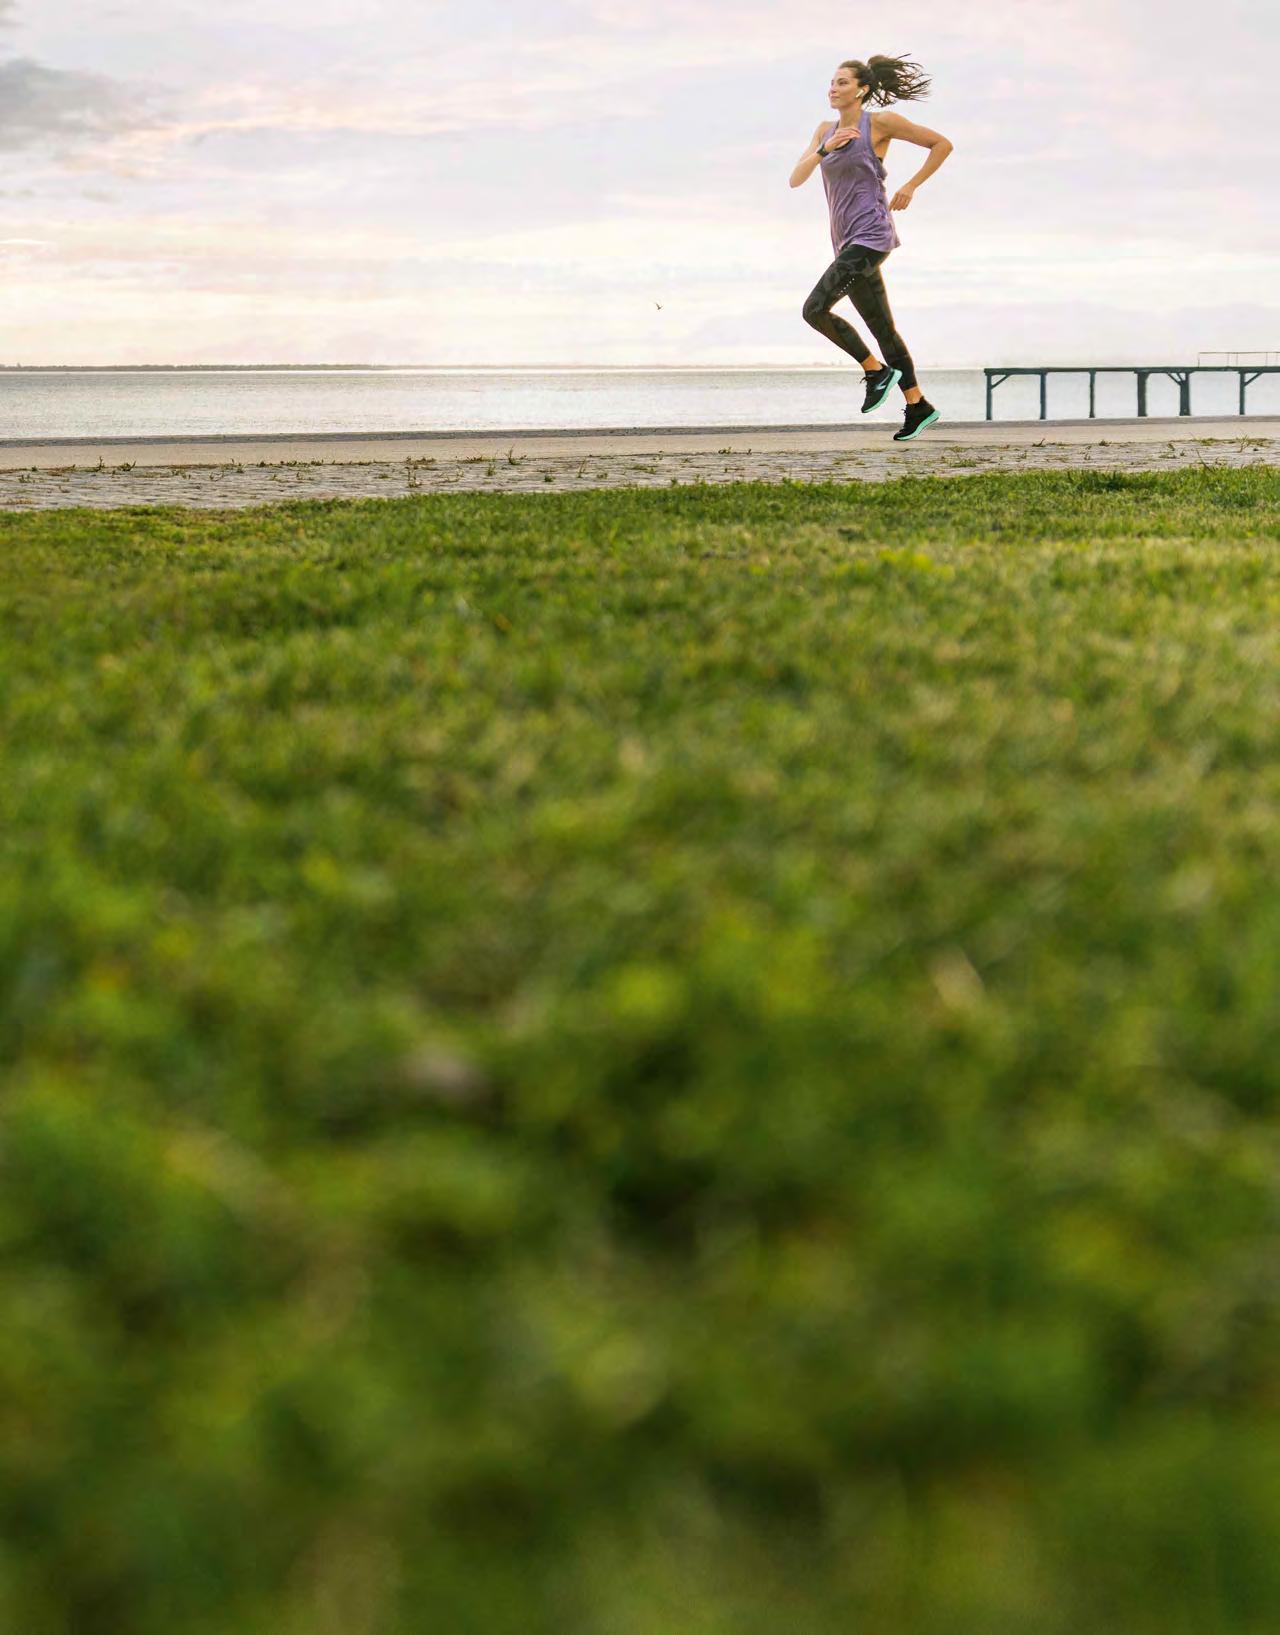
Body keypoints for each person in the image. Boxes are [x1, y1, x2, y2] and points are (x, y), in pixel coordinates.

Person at [790, 55, 953, 442]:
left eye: (843, 82)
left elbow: (941, 144)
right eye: (832, 82)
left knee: (814, 309)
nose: (833, 88)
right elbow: (796, 178)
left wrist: (910, 185)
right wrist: (825, 149)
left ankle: (876, 371)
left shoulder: (879, 123)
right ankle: (918, 405)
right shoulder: (824, 130)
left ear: (861, 90)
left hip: (871, 235)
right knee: (882, 328)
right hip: (845, 241)